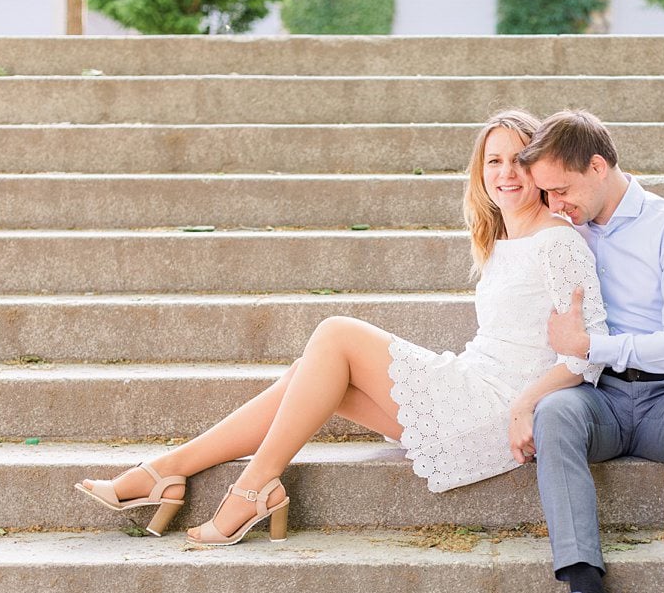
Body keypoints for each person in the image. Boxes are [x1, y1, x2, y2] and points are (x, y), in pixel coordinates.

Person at [75, 109, 608, 546]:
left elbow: (590, 350)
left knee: (336, 334)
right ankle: (169, 469)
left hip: (505, 410)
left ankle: (251, 486)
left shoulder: (559, 242)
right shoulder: (503, 244)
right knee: (312, 374)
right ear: (479, 172)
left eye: (518, 159)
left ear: (540, 168)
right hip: (475, 387)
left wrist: (524, 405)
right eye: (493, 160)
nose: (506, 172)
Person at [517, 110, 664, 593]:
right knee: (556, 412)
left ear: (598, 166)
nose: (555, 204)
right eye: (546, 194)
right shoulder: (564, 232)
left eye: (561, 189)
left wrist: (593, 346)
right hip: (601, 400)